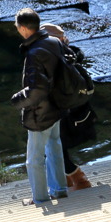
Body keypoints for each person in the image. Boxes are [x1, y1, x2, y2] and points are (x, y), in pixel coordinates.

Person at [11, 7, 68, 206]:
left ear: (25, 29)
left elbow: (37, 89)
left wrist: (18, 100)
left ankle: (41, 199)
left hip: (40, 112)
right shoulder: (54, 42)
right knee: (54, 147)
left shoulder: (33, 53)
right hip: (57, 106)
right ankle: (60, 190)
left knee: (34, 159)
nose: (17, 29)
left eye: (17, 26)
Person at [40, 22, 96, 192]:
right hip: (76, 111)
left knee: (52, 147)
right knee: (54, 147)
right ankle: (67, 179)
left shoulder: (59, 60)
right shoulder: (68, 56)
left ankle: (78, 178)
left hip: (66, 112)